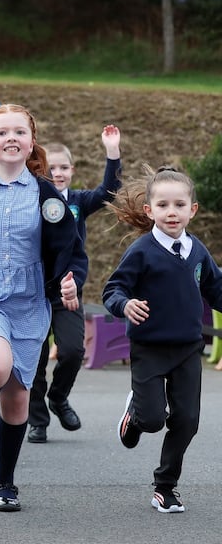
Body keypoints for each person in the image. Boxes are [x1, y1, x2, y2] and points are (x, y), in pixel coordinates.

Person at [0, 101, 86, 513]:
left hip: (27, 302)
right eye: (2, 132)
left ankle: (5, 482)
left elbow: (68, 249)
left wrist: (68, 280)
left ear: (31, 142)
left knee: (17, 401)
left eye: (19, 132)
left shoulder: (47, 196)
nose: (11, 138)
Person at [103, 165, 222, 514]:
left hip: (187, 349)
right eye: (164, 205)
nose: (172, 212)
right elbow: (114, 289)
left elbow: (216, 290)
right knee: (155, 419)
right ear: (149, 210)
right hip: (150, 348)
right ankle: (137, 415)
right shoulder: (141, 251)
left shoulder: (197, 251)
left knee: (187, 420)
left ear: (192, 210)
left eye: (179, 205)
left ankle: (165, 487)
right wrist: (125, 304)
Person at [26, 126, 123, 444]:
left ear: (72, 170)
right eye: (51, 168)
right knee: (36, 358)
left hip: (68, 292)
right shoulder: (31, 198)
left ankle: (58, 397)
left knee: (71, 350)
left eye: (64, 167)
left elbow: (108, 192)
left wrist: (112, 152)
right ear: (41, 170)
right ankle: (37, 419)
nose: (58, 173)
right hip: (34, 291)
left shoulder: (78, 201)